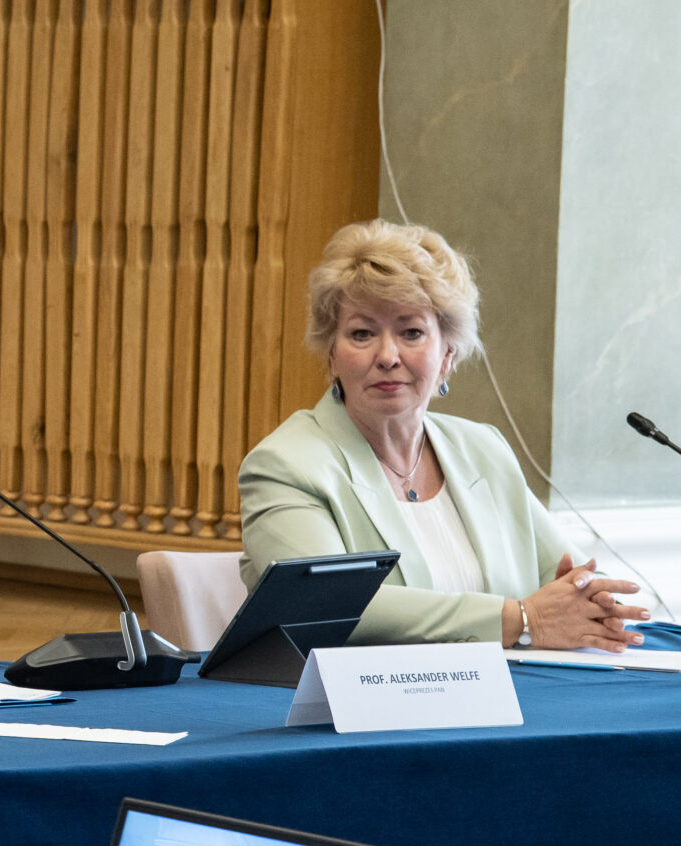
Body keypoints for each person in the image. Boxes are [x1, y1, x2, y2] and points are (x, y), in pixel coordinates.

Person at [239, 220, 646, 649]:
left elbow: (570, 574)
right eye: (362, 334)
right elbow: (324, 606)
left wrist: (594, 601)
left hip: (510, 684)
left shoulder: (483, 449)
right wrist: (522, 619)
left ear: (448, 354)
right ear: (331, 354)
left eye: (411, 332)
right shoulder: (287, 465)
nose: (388, 356)